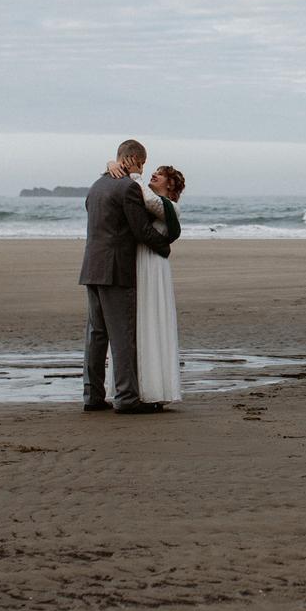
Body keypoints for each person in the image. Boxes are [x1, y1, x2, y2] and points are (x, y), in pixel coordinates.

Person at [79, 139, 179, 415]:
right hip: (116, 270)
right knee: (122, 335)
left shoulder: (96, 186)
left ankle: (92, 395)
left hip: (91, 266)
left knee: (96, 334)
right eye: (143, 163)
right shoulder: (128, 188)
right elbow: (141, 231)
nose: (145, 170)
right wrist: (165, 247)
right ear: (134, 158)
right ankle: (126, 398)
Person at [104, 158, 185, 405]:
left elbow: (150, 202)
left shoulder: (170, 206)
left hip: (153, 266)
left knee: (152, 319)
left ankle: (154, 388)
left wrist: (134, 175)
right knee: (133, 321)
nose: (153, 175)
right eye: (154, 172)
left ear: (171, 186)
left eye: (160, 174)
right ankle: (129, 386)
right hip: (136, 261)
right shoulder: (143, 195)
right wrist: (111, 164)